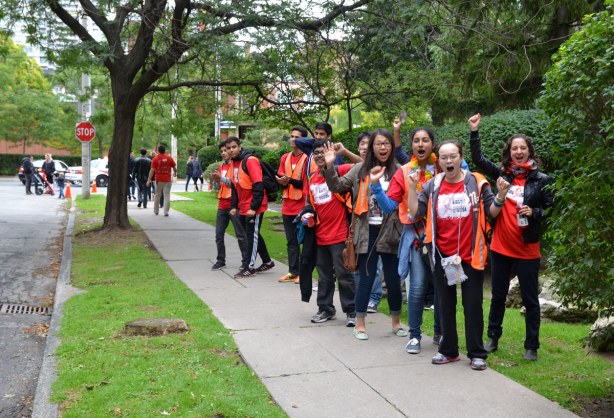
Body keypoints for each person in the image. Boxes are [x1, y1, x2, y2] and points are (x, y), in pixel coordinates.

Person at [407, 139, 505, 371]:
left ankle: (477, 353)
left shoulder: (477, 182)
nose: (448, 160)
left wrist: (500, 196)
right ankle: (448, 350)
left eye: (453, 156)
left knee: (472, 305)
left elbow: (492, 212)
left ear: (461, 158)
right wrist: (411, 188)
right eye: (444, 157)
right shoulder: (432, 185)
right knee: (445, 304)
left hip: (470, 256)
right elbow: (416, 212)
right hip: (442, 255)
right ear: (438, 161)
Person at [469, 113, 554, 361]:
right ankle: (493, 337)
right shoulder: (502, 175)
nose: (519, 151)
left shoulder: (542, 180)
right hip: (501, 246)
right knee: (497, 295)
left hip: (528, 248)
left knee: (530, 299)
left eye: (523, 148)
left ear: (529, 152)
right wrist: (475, 132)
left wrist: (535, 211)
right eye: (514, 148)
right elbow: (478, 159)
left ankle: (531, 346)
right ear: (509, 152)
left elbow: (550, 210)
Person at [323, 129, 406, 341]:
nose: (383, 147)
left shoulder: (399, 171)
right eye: (378, 144)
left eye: (386, 143)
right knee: (365, 279)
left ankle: (396, 322)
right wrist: (330, 165)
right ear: (371, 148)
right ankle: (360, 324)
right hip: (366, 231)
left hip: (391, 233)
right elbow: (336, 186)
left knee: (394, 280)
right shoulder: (360, 169)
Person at [371, 122, 442, 354]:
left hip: (442, 239)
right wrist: (376, 187)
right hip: (416, 239)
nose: (420, 144)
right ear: (412, 145)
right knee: (418, 287)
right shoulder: (404, 172)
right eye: (416, 141)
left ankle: (441, 332)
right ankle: (414, 336)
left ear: (432, 144)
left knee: (443, 288)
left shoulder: (443, 167)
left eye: (425, 140)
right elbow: (390, 205)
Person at [302, 139, 356, 326]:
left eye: (323, 152)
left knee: (344, 275)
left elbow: (361, 165)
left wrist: (344, 152)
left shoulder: (339, 171)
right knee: (324, 276)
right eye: (316, 152)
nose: (319, 156)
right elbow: (309, 203)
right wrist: (307, 214)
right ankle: (326, 309)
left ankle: (352, 311)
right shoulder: (311, 177)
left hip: (340, 234)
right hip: (319, 235)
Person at [227, 136, 275, 278]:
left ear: (239, 146)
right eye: (228, 148)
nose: (231, 150)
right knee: (253, 235)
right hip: (243, 206)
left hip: (254, 206)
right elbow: (236, 186)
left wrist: (254, 207)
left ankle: (249, 267)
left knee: (251, 236)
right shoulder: (233, 163)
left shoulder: (250, 160)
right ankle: (267, 261)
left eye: (234, 147)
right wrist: (234, 206)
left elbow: (258, 185)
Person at [276, 126, 309, 283]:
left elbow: (307, 184)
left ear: (303, 140)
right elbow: (282, 179)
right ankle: (293, 272)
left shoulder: (308, 158)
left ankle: (304, 273)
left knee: (304, 241)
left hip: (302, 206)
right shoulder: (285, 157)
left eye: (297, 137)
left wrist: (289, 180)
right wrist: (282, 181)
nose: (293, 139)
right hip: (287, 206)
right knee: (291, 242)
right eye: (291, 136)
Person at [210, 141, 249, 271]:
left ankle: (246, 261)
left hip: (234, 204)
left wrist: (220, 178)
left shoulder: (236, 165)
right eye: (222, 151)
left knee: (240, 234)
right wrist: (217, 179)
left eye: (225, 150)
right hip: (222, 203)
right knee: (218, 234)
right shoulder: (221, 166)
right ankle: (220, 260)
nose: (224, 153)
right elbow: (222, 184)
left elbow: (233, 184)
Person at [146, 145, 177, 216]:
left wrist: (148, 180)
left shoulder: (155, 159)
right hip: (167, 180)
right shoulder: (169, 158)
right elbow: (174, 167)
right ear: (164, 150)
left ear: (158, 151)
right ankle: (166, 212)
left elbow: (152, 170)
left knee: (157, 195)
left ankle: (156, 211)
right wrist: (175, 173)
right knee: (167, 195)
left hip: (158, 180)